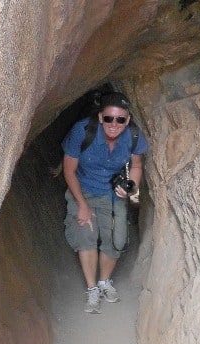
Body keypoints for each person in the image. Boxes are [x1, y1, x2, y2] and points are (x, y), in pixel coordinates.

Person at [62, 92, 148, 313]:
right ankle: (92, 289)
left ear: (127, 120)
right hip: (83, 189)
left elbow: (136, 165)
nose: (114, 124)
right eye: (109, 118)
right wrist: (82, 205)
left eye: (120, 119)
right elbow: (69, 171)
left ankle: (104, 282)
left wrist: (131, 186)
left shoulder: (133, 136)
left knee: (116, 240)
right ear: (101, 117)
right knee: (86, 235)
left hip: (112, 192)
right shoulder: (82, 131)